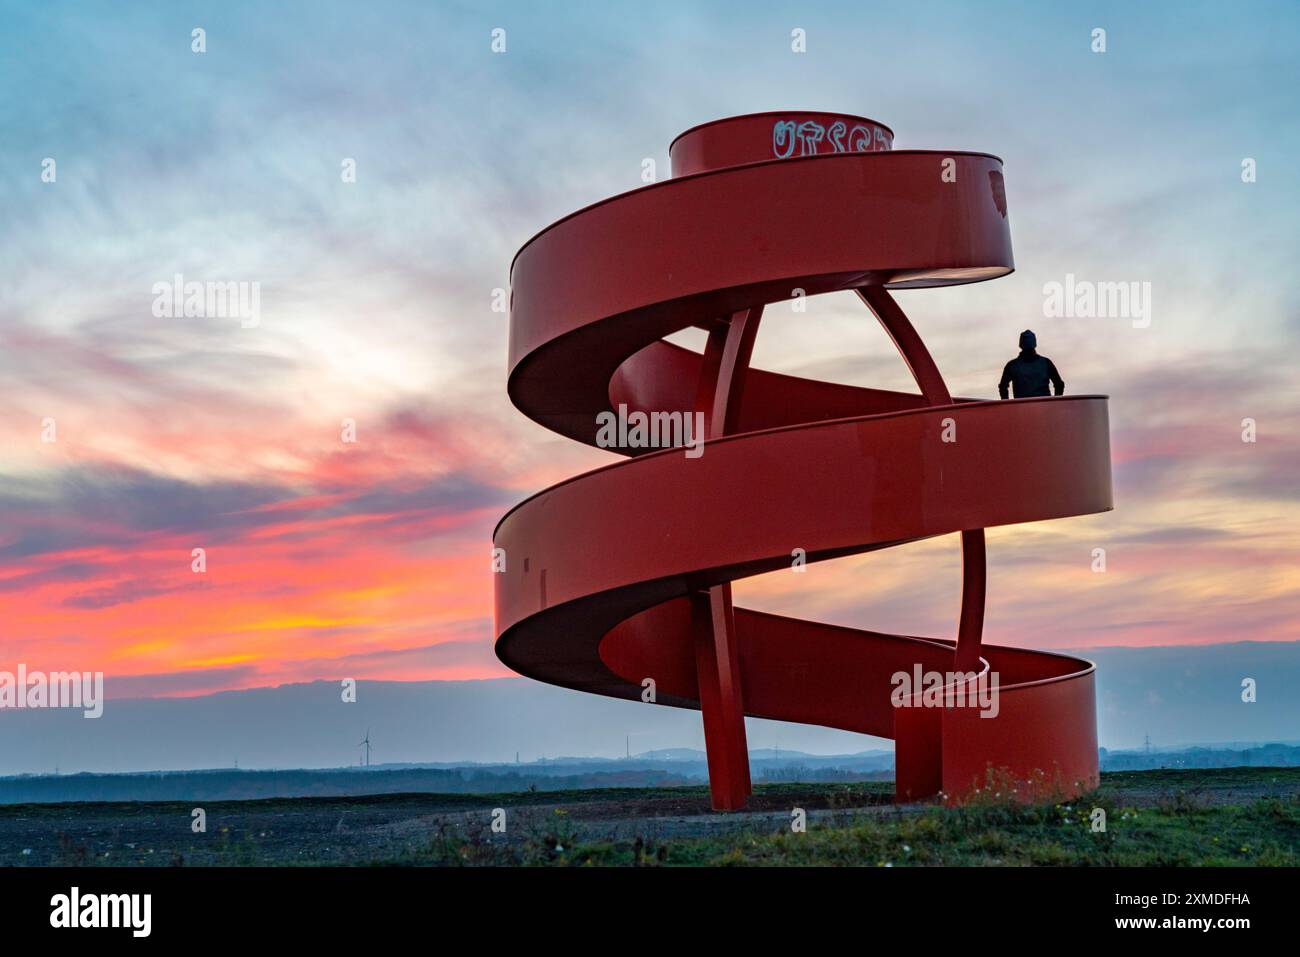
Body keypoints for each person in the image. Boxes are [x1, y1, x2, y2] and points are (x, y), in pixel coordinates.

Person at [998, 329, 1064, 399]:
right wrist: (1054, 403)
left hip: (1020, 408)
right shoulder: (1046, 362)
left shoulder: (1011, 365)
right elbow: (1059, 384)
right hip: (1044, 407)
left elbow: (1003, 387)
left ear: (1020, 344)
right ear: (1035, 344)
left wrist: (1008, 405)